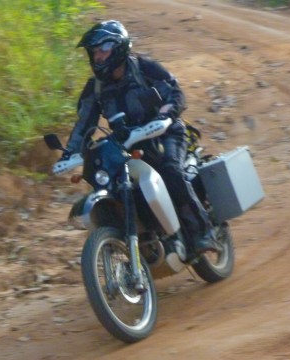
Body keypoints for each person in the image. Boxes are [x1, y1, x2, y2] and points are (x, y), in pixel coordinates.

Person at [58, 19, 216, 253]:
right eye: (94, 52)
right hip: (126, 144)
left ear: (119, 47)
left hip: (164, 134)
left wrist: (165, 115)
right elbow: (84, 123)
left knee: (170, 170)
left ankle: (202, 232)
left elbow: (174, 93)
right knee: (114, 184)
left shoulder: (145, 69)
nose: (98, 57)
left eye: (103, 50)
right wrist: (70, 152)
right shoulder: (96, 88)